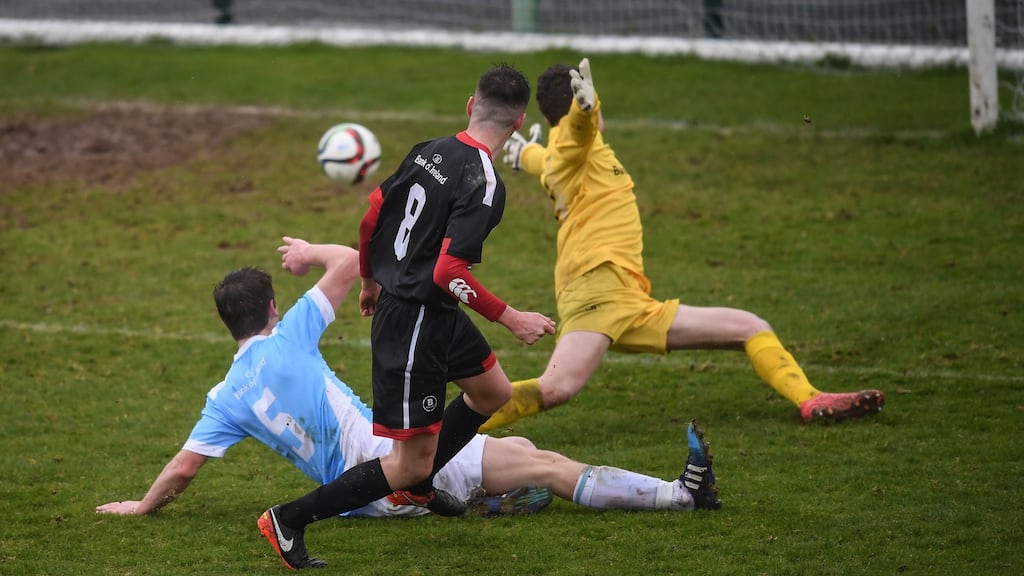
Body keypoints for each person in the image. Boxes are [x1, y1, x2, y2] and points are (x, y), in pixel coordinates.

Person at [95, 238, 721, 564]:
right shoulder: (291, 334)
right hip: (389, 464)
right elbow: (351, 260)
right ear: (272, 309)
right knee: (546, 464)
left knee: (521, 448)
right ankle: (682, 494)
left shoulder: (223, 397)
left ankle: (484, 501)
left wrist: (142, 507)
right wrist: (309, 253)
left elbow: (183, 469)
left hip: (360, 497)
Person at [256, 63, 560, 570]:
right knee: (407, 461)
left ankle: (418, 488)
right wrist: (511, 317)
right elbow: (448, 271)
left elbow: (371, 216)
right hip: (415, 319)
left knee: (493, 393)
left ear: (471, 104)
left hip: (428, 309)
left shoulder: (429, 150)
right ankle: (288, 519)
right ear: (518, 120)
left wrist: (371, 280)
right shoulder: (485, 184)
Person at [483, 57, 884, 432]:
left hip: (629, 298)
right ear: (576, 103)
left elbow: (548, 155)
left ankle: (810, 399)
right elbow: (577, 132)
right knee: (555, 389)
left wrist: (524, 153)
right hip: (597, 291)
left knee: (749, 327)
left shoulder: (560, 154)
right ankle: (442, 434)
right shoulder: (575, 143)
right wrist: (584, 110)